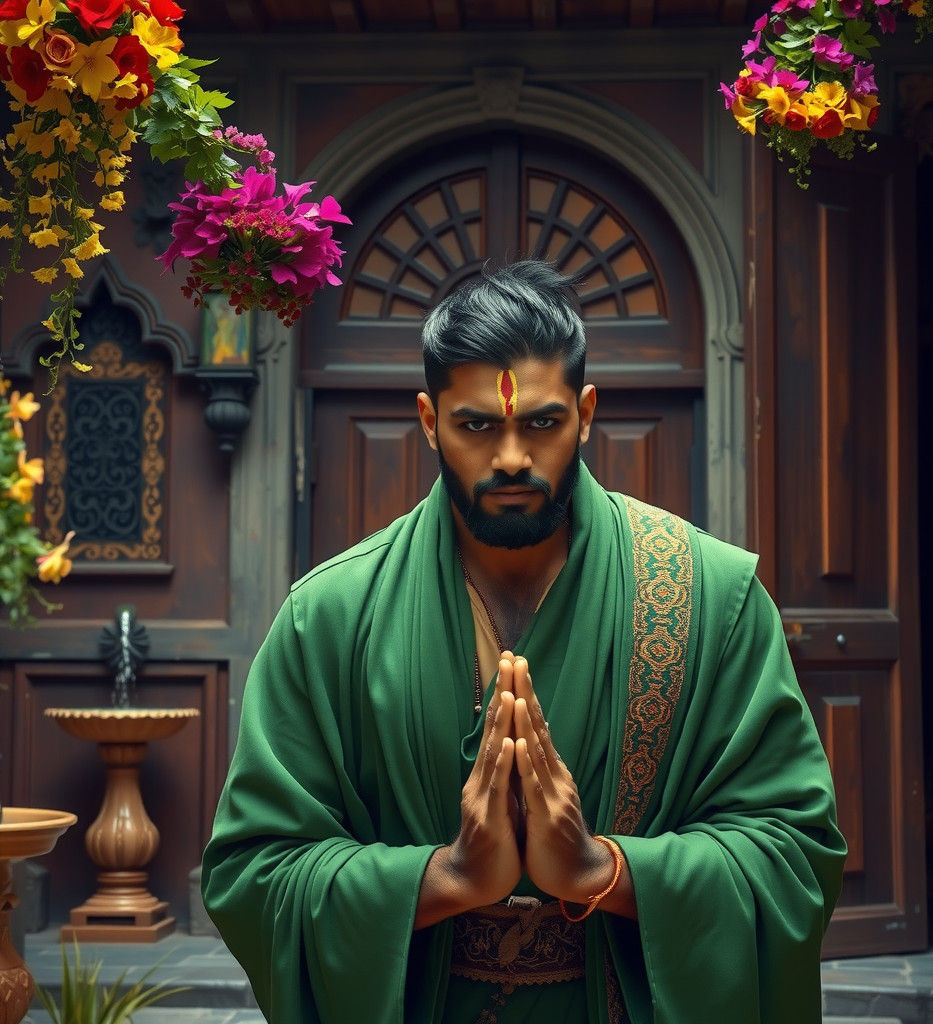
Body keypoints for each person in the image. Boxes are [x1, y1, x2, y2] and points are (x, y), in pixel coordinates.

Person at [202, 260, 846, 1024]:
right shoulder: (331, 616)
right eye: (477, 425)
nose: (511, 457)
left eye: (541, 422)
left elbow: (793, 853)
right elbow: (254, 871)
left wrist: (597, 868)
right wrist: (449, 878)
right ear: (428, 420)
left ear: (586, 411)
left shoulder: (708, 596)